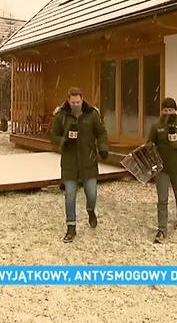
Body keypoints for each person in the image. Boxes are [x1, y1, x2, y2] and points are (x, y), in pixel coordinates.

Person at [51, 87, 109, 243]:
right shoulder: (61, 116)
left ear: (82, 99)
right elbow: (53, 136)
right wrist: (64, 141)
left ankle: (90, 211)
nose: (76, 104)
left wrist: (103, 147)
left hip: (88, 161)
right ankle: (71, 226)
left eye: (78, 101)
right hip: (69, 162)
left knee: (91, 193)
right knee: (70, 195)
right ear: (68, 100)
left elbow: (101, 132)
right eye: (73, 102)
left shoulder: (92, 114)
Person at [146, 97, 177, 243]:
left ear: (175, 110)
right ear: (162, 111)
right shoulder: (156, 126)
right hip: (162, 169)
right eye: (165, 110)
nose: (168, 113)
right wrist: (150, 147)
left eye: (171, 110)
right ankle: (162, 229)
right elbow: (150, 142)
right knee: (162, 200)